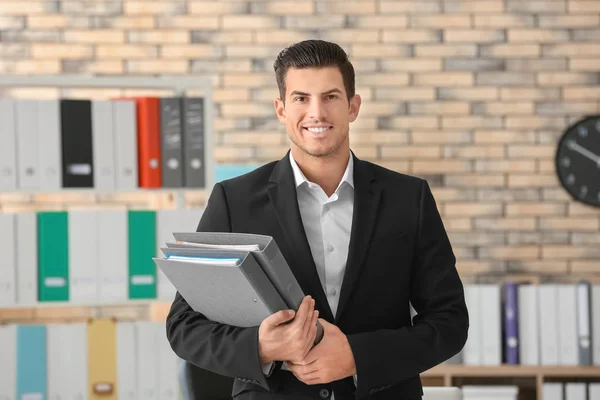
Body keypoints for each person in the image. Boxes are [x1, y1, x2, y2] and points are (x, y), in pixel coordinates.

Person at [166, 39, 468, 400]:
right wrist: (261, 346)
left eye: (330, 97)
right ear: (281, 109)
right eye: (301, 98)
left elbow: (449, 322)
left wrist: (358, 357)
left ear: (353, 106)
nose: (317, 113)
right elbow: (185, 325)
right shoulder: (235, 201)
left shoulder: (408, 198)